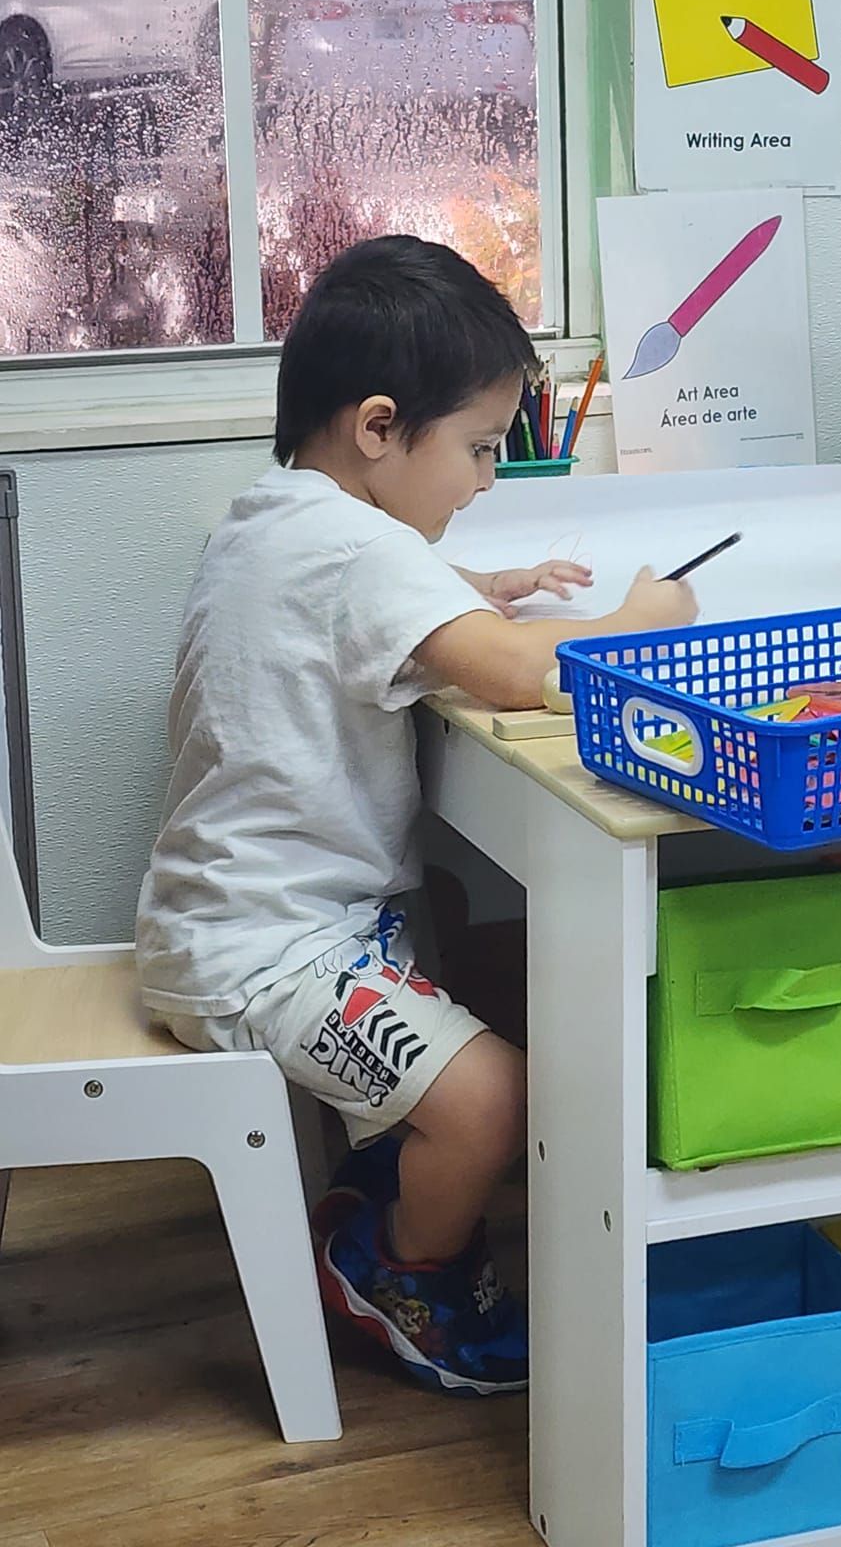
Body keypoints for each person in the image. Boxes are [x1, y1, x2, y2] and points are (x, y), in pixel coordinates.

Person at [135, 235, 697, 1395]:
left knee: (455, 932)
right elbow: (509, 675)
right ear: (379, 427)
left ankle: (397, 1187)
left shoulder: (277, 515)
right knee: (501, 1091)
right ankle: (396, 1274)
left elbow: (362, 605)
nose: (488, 480)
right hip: (263, 952)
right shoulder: (355, 551)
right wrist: (643, 617)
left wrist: (470, 589)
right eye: (482, 449)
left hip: (230, 919)